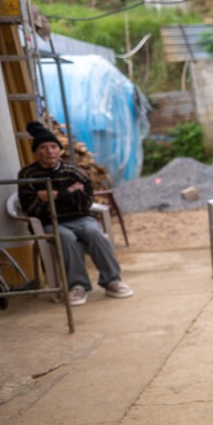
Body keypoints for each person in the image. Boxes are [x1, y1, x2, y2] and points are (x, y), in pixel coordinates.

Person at [17, 121, 133, 306]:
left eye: (53, 146)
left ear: (60, 150)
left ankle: (112, 281)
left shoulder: (72, 170)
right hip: (51, 222)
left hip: (80, 218)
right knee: (66, 237)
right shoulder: (27, 174)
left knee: (94, 233)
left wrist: (54, 196)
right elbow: (30, 208)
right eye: (43, 147)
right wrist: (70, 193)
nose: (49, 152)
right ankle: (78, 286)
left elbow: (85, 202)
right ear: (36, 151)